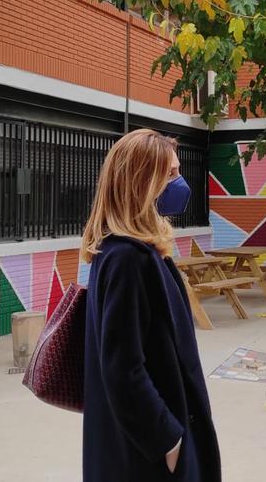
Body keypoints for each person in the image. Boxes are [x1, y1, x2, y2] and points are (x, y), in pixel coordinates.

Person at [79, 129, 220, 482]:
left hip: (148, 445)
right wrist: (167, 440)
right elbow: (122, 369)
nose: (180, 183)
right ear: (142, 182)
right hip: (146, 456)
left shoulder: (133, 251)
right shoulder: (126, 258)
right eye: (170, 174)